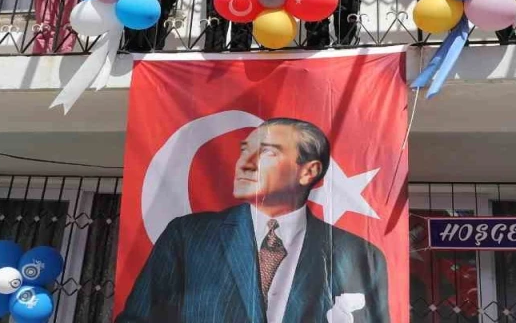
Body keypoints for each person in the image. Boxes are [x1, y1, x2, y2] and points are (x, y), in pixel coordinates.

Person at [119, 118, 390, 323]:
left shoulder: (357, 254)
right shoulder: (189, 235)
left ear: (309, 171)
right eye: (245, 151)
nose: (245, 164)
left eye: (267, 153)